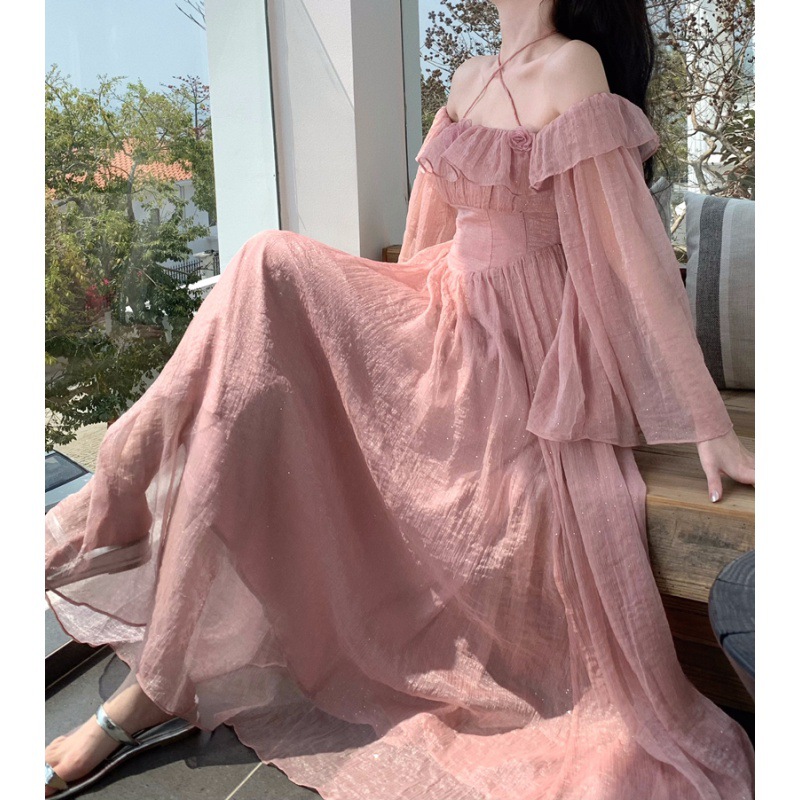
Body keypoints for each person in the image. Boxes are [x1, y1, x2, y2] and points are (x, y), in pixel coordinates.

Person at [44, 0, 756, 797]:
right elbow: (427, 241)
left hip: (521, 355)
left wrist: (707, 424)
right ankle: (155, 648)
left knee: (267, 267)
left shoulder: (572, 67)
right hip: (446, 321)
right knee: (259, 310)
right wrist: (392, 360)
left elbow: (632, 256)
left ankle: (123, 503)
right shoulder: (467, 79)